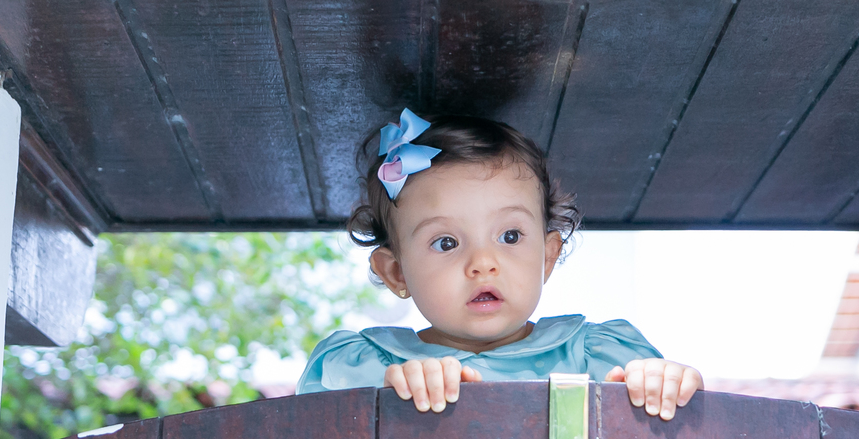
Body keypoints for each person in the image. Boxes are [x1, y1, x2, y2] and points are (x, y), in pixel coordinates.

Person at [296, 109, 702, 420]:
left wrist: (668, 386)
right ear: (396, 272)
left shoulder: (598, 359)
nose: (483, 264)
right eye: (447, 242)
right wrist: (384, 402)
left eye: (509, 236)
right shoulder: (363, 368)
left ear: (547, 256)